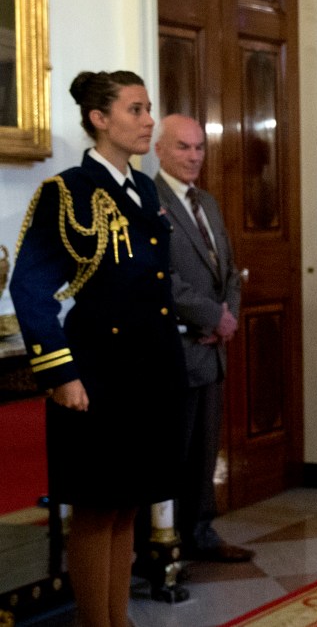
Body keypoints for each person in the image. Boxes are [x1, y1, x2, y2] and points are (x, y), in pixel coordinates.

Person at [10, 70, 186, 627]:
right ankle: (97, 623)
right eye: (135, 110)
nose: (148, 120)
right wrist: (61, 374)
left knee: (127, 503)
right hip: (97, 374)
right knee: (95, 508)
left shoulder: (144, 189)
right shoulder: (67, 192)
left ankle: (118, 620)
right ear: (99, 119)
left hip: (148, 371)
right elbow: (30, 287)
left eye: (149, 108)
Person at [151, 114, 252, 562]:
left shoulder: (207, 202)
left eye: (199, 147)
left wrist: (227, 315)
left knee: (206, 449)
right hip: (178, 349)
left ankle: (201, 532)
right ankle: (164, 542)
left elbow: (228, 268)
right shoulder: (147, 200)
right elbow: (161, 278)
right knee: (173, 451)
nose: (193, 156)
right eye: (182, 147)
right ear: (159, 150)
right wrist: (213, 317)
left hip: (212, 350)